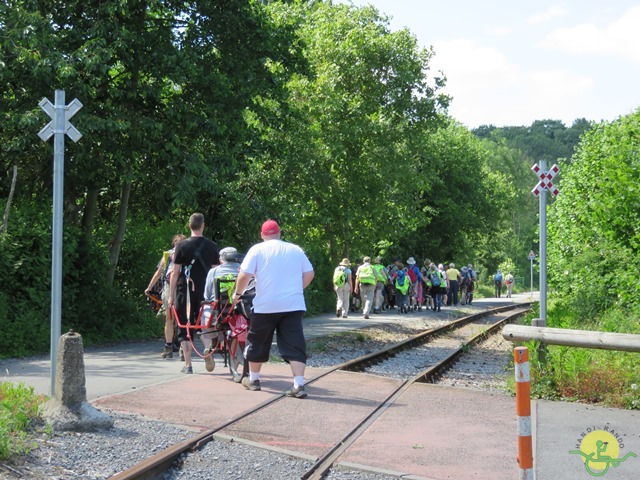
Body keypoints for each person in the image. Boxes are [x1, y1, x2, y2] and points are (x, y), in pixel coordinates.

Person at [231, 219, 314, 399]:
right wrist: (297, 290)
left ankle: (253, 380)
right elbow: (309, 273)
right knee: (295, 342)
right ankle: (299, 384)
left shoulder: (257, 250)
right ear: (280, 233)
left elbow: (244, 275)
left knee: (257, 340)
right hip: (293, 306)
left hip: (265, 305)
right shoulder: (296, 250)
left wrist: (237, 295)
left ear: (262, 235)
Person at [168, 213, 219, 374]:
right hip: (205, 294)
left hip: (185, 292)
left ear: (189, 226)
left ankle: (188, 365)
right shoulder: (212, 246)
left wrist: (171, 294)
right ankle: (206, 348)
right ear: (202, 225)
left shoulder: (181, 246)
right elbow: (215, 271)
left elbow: (175, 272)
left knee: (185, 327)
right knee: (203, 325)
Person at [200, 247, 243, 372]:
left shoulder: (213, 272)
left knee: (205, 311)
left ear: (221, 260)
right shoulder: (244, 271)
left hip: (218, 313)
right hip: (239, 311)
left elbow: (207, 295)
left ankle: (213, 341)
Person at [145, 233, 186, 359]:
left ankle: (168, 347)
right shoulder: (188, 253)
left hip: (169, 287)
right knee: (184, 318)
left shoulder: (167, 255)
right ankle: (183, 349)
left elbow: (158, 273)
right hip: (184, 286)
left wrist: (149, 287)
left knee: (170, 318)